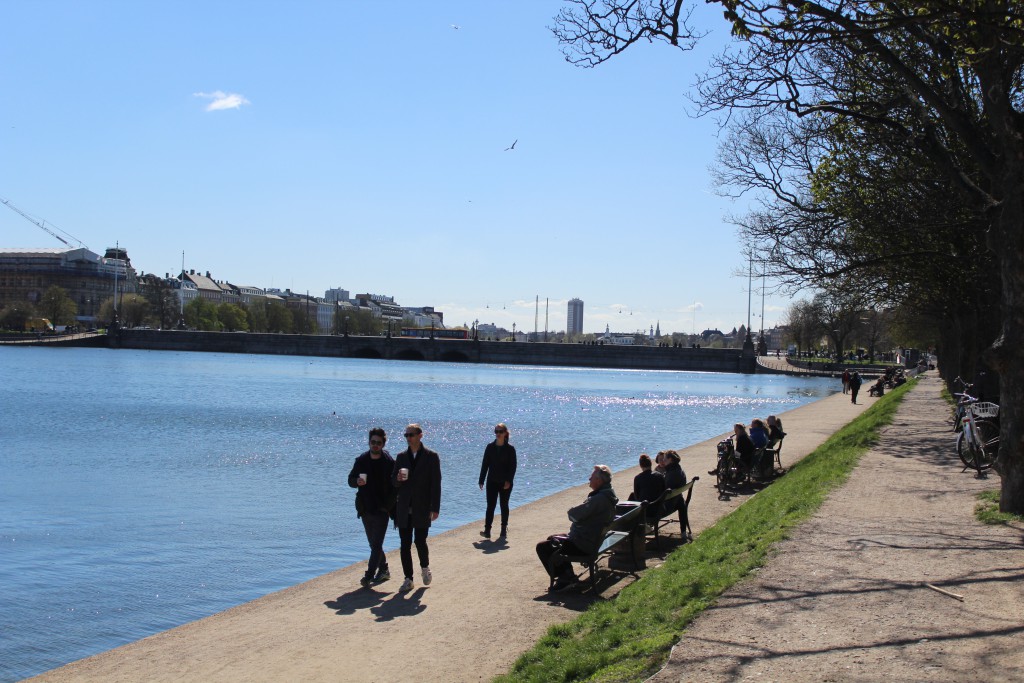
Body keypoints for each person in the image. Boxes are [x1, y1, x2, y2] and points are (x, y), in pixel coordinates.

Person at [536, 465, 618, 591]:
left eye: (592, 477)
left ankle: (565, 578)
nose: (589, 478)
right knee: (551, 539)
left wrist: (574, 511)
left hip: (584, 545)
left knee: (542, 546)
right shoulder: (608, 494)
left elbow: (573, 514)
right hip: (592, 540)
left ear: (599, 481)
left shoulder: (599, 499)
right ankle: (567, 575)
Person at [392, 423, 442, 592]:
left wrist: (435, 508)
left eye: (411, 435)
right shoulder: (401, 457)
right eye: (406, 435)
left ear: (420, 435)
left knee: (420, 541)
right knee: (404, 544)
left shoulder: (431, 456)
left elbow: (436, 484)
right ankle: (408, 578)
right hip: (404, 507)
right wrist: (398, 478)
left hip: (423, 506)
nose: (408, 438)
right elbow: (393, 482)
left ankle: (425, 568)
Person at [348, 427, 395, 587]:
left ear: (383, 444)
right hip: (365, 508)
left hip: (382, 510)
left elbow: (395, 485)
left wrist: (389, 505)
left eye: (378, 443)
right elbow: (350, 480)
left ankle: (368, 576)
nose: (375, 445)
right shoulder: (361, 460)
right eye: (373, 442)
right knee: (373, 544)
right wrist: (356, 482)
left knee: (376, 544)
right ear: (369, 442)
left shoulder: (388, 462)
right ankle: (384, 569)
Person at [478, 422, 517, 538]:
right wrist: (481, 479)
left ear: (505, 433)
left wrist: (508, 481)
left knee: (504, 505)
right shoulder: (490, 447)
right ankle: (487, 530)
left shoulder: (510, 449)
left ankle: (503, 529)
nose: (498, 434)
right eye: (496, 431)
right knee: (490, 506)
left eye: (500, 432)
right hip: (492, 481)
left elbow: (513, 466)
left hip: (505, 482)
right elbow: (485, 464)